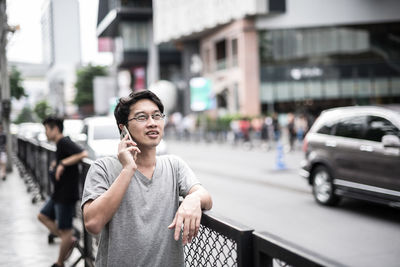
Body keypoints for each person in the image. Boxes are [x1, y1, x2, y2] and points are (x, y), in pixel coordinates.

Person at [81, 90, 213, 267]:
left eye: (157, 116)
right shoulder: (103, 168)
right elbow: (93, 223)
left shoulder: (174, 165)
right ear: (123, 128)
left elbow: (206, 197)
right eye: (142, 117)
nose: (152, 123)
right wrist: (128, 169)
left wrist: (194, 198)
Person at [37, 116, 88, 267]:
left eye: (47, 129)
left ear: (55, 129)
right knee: (42, 216)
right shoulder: (60, 144)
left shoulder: (64, 142)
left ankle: (59, 263)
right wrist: (57, 163)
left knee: (65, 230)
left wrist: (63, 163)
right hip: (58, 193)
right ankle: (69, 240)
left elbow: (83, 154)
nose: (45, 133)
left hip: (66, 194)